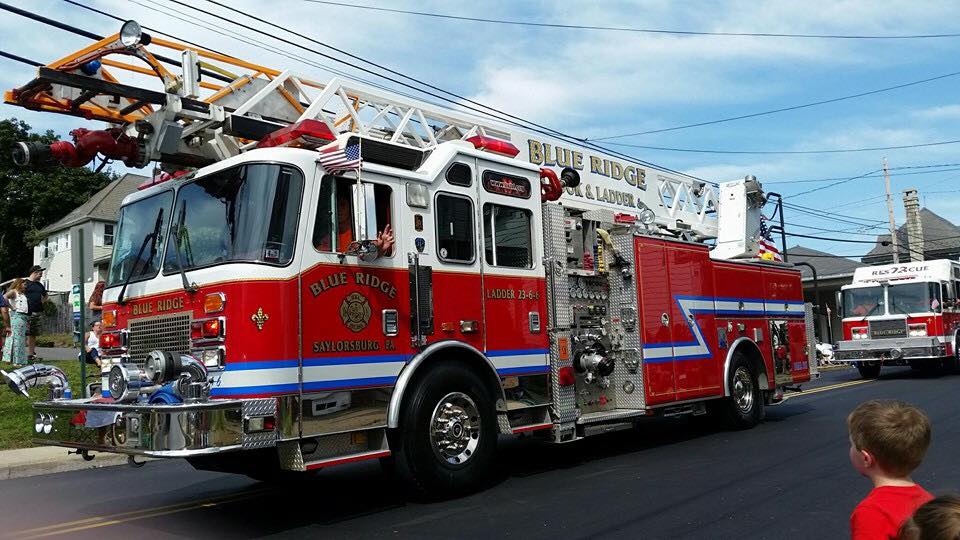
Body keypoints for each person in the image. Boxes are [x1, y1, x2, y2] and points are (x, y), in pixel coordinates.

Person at [848, 399, 934, 539]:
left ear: (866, 459)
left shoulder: (871, 513)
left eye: (851, 444)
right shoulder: (930, 503)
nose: (850, 449)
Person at [2, 279, 29, 365]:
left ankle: (11, 359)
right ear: (19, 284)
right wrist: (11, 307)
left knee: (19, 339)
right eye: (24, 284)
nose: (26, 286)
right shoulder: (14, 292)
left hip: (22, 317)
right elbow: (4, 297)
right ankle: (16, 360)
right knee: (16, 339)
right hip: (16, 316)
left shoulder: (22, 294)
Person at [23, 265, 47, 361]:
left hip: (37, 312)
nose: (41, 275)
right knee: (22, 333)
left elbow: (45, 296)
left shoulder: (39, 285)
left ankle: (31, 354)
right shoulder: (25, 283)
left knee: (33, 333)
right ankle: (17, 354)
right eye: (40, 273)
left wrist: (42, 302)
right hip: (25, 312)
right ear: (35, 272)